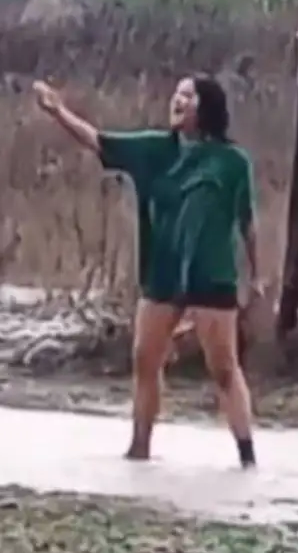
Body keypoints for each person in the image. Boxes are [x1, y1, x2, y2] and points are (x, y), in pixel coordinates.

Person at [33, 75, 260, 468]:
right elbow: (98, 140)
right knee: (144, 358)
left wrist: (256, 277)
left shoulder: (232, 162)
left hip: (211, 274)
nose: (178, 101)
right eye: (176, 94)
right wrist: (58, 112)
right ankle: (139, 449)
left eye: (187, 96)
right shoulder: (155, 149)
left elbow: (247, 223)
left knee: (223, 368)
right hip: (162, 271)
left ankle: (247, 457)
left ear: (206, 107)